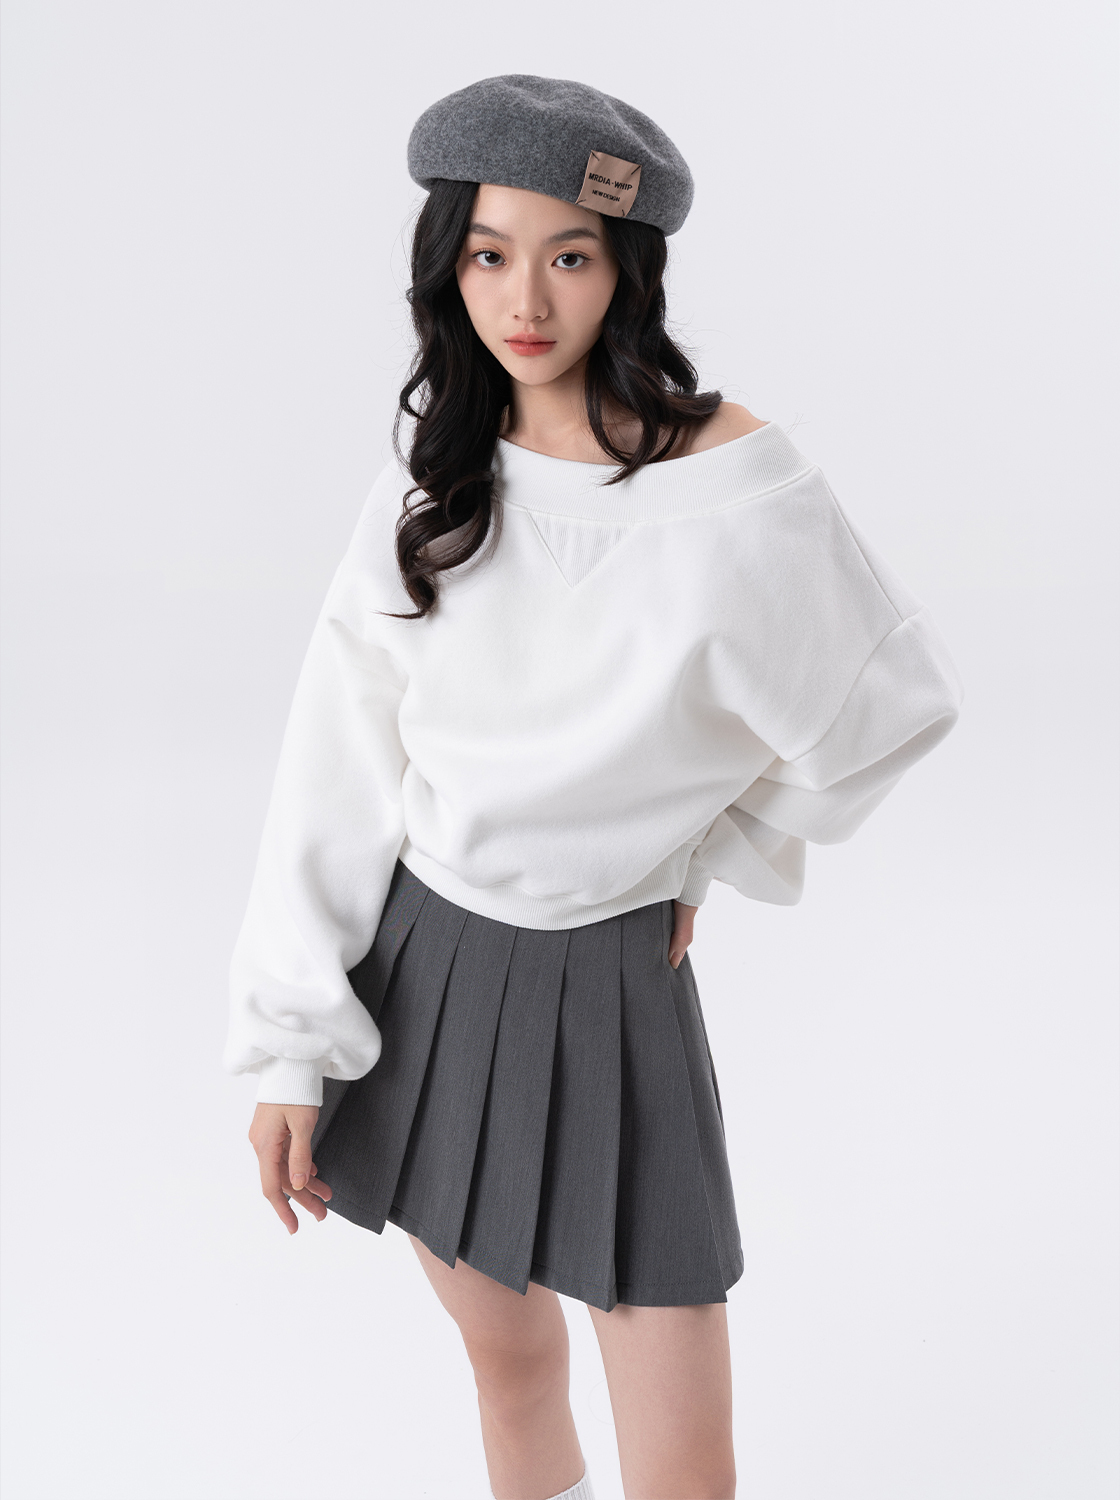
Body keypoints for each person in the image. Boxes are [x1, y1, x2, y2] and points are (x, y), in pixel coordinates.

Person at [224, 75, 963, 1500]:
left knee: (684, 1464)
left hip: (616, 986)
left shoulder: (732, 479)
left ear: (625, 268)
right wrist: (287, 1049)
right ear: (448, 265)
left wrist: (713, 846)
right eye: (489, 253)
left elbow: (891, 707)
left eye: (569, 254)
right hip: (425, 967)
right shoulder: (435, 476)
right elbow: (337, 766)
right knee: (508, 1366)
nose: (526, 298)